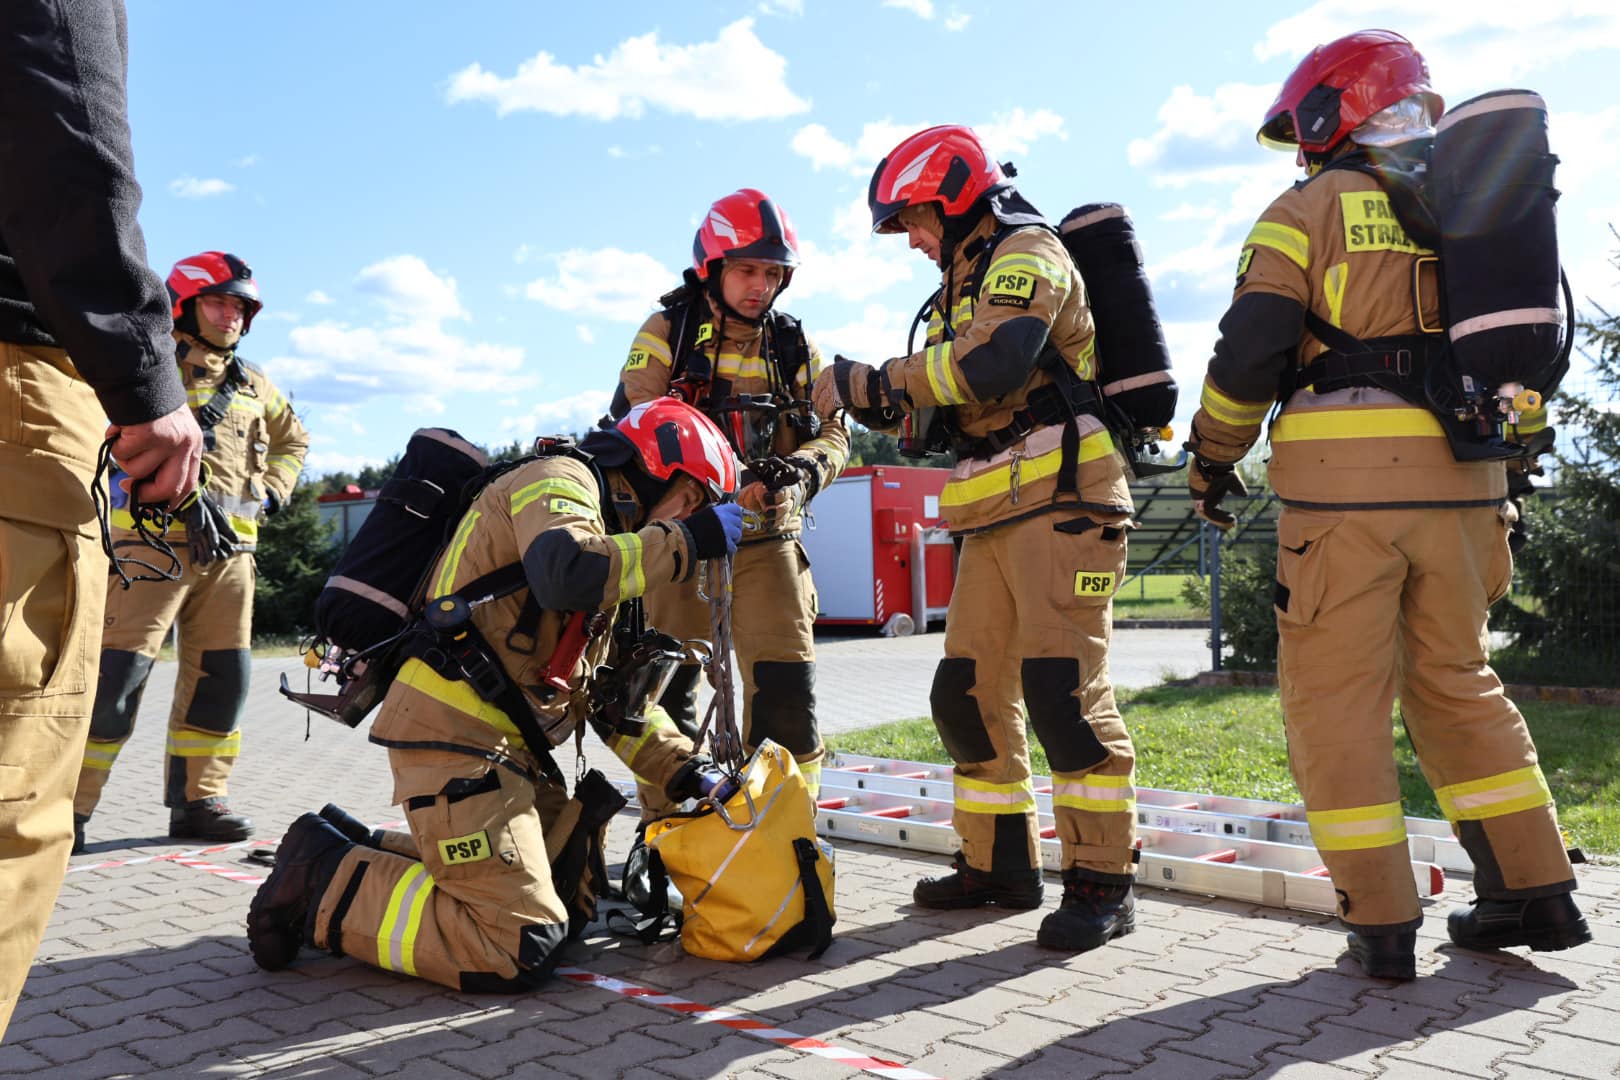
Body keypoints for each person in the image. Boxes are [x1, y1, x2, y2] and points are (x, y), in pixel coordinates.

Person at [1185, 29, 1589, 980]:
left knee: (1337, 707)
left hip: (1344, 506)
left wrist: (1211, 460)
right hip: (1469, 492)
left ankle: (1382, 923)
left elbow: (1250, 355)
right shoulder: (1476, 210)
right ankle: (1533, 892)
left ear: (1334, 115)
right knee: (1458, 684)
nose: (1297, 148)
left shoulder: (1305, 210)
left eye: (1302, 128)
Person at [247, 398, 748, 991]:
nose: (684, 516)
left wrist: (693, 773)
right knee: (516, 943)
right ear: (648, 466)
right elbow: (565, 568)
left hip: (501, 753)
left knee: (569, 894)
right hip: (455, 742)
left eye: (696, 510)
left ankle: (344, 848)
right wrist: (688, 540)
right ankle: (321, 884)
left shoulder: (616, 547)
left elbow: (613, 701)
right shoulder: (559, 479)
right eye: (688, 499)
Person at [813, 126, 1139, 954]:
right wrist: (872, 400)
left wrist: (869, 377)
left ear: (955, 200)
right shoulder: (964, 282)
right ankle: (1000, 867)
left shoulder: (1029, 250)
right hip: (988, 509)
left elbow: (994, 365)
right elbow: (942, 396)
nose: (914, 242)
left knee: (1065, 693)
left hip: (1064, 500)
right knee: (966, 695)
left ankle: (1103, 881)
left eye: (916, 221)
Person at [0, 0, 204, 1035]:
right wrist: (142, 366)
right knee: (10, 788)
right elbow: (63, 121)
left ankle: (197, 796)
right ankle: (88, 807)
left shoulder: (258, 386)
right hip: (22, 394)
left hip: (217, 548)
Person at [611, 188, 849, 804]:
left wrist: (800, 472)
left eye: (773, 273)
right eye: (746, 270)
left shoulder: (795, 345)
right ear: (713, 268)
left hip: (772, 542)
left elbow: (834, 434)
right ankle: (671, 837)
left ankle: (785, 831)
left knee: (788, 694)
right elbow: (638, 428)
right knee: (670, 694)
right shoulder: (667, 331)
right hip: (684, 542)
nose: (759, 286)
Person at [72, 252, 310, 851]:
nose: (231, 316)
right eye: (219, 302)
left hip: (232, 558)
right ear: (184, 304)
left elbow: (293, 440)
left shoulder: (254, 383)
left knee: (223, 680)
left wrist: (275, 493)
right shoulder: (150, 366)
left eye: (240, 308)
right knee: (114, 684)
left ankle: (201, 801)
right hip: (149, 549)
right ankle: (65, 810)